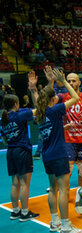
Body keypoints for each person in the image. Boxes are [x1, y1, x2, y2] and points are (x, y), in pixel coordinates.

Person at [36, 68, 82, 233]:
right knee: (63, 190)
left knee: (53, 188)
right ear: (51, 100)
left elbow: (50, 131)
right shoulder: (55, 110)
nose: (57, 96)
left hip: (47, 156)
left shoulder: (41, 114)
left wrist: (63, 127)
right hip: (59, 154)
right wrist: (63, 81)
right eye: (54, 96)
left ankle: (55, 222)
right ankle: (65, 225)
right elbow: (76, 97)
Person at [48, 69, 82, 215]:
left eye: (74, 80)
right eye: (69, 80)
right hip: (68, 140)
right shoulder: (62, 96)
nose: (71, 83)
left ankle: (80, 194)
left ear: (79, 82)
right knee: (68, 171)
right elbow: (48, 99)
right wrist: (51, 82)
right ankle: (65, 196)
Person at [1, 71, 39, 222]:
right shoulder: (20, 115)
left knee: (14, 182)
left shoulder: (4, 119)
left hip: (10, 151)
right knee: (24, 183)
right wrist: (33, 90)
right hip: (22, 151)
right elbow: (38, 108)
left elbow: (4, 139)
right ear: (16, 104)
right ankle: (24, 212)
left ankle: (15, 211)